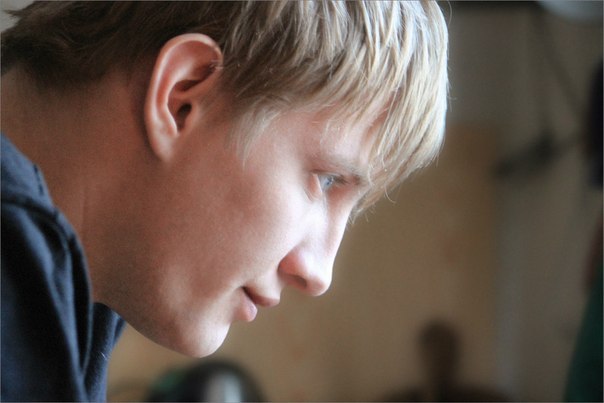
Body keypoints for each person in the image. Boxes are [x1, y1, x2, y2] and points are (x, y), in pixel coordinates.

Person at [0, 1, 448, 400]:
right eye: (327, 181)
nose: (318, 274)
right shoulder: (13, 262)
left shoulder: (77, 285)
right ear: (182, 97)